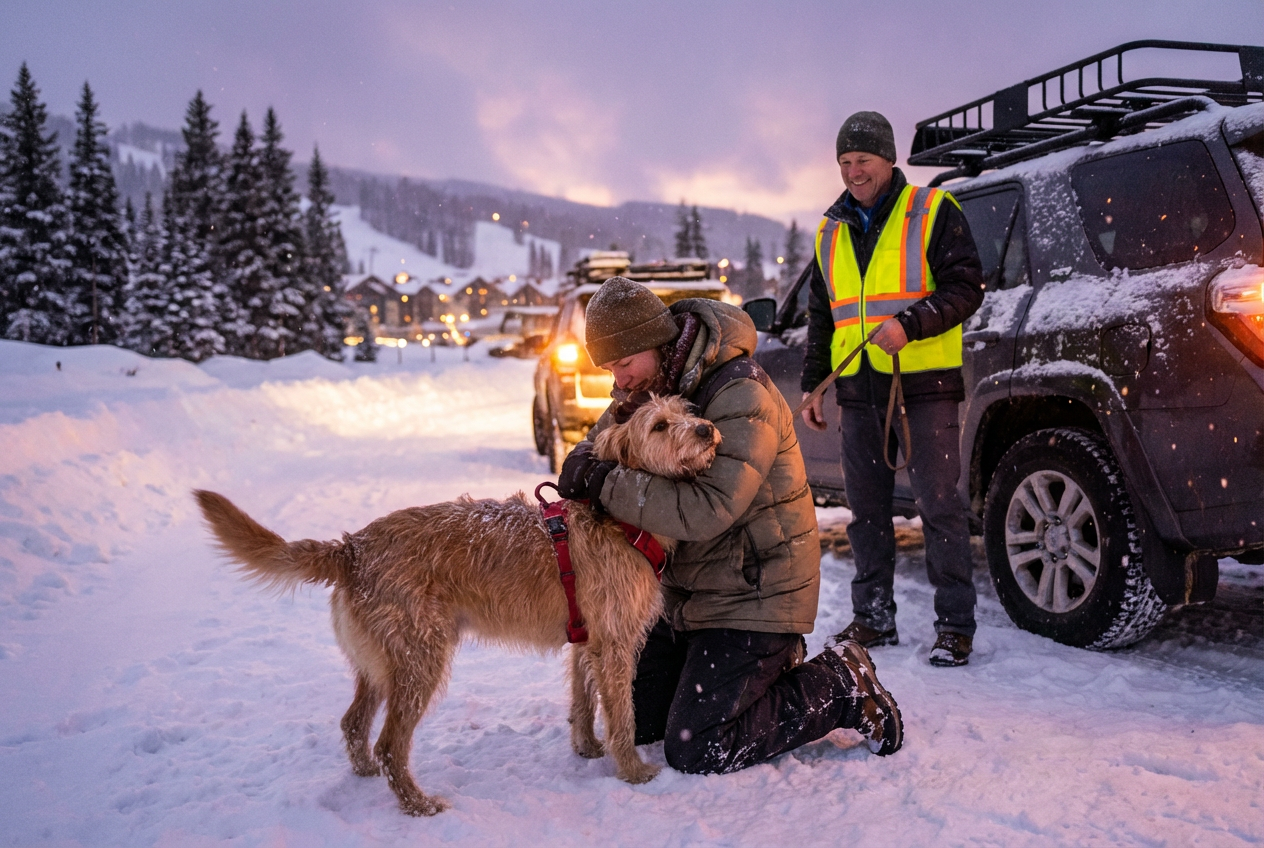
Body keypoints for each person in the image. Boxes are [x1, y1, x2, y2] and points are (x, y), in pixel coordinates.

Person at [556, 276, 903, 775]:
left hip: (755, 596)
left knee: (697, 745)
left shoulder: (740, 391)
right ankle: (756, 676)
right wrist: (584, 462)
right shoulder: (646, 389)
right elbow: (599, 449)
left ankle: (840, 684)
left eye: (623, 364)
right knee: (639, 720)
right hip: (687, 601)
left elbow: (708, 507)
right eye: (610, 369)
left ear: (653, 343)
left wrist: (604, 483)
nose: (619, 379)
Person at [799, 111, 985, 667]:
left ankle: (955, 625)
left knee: (939, 507)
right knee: (867, 513)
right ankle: (874, 619)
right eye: (845, 162)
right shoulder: (829, 230)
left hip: (922, 388)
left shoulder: (931, 210)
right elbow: (821, 315)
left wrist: (912, 323)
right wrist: (813, 386)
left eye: (864, 160)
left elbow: (966, 287)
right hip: (857, 391)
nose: (854, 172)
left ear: (889, 160)